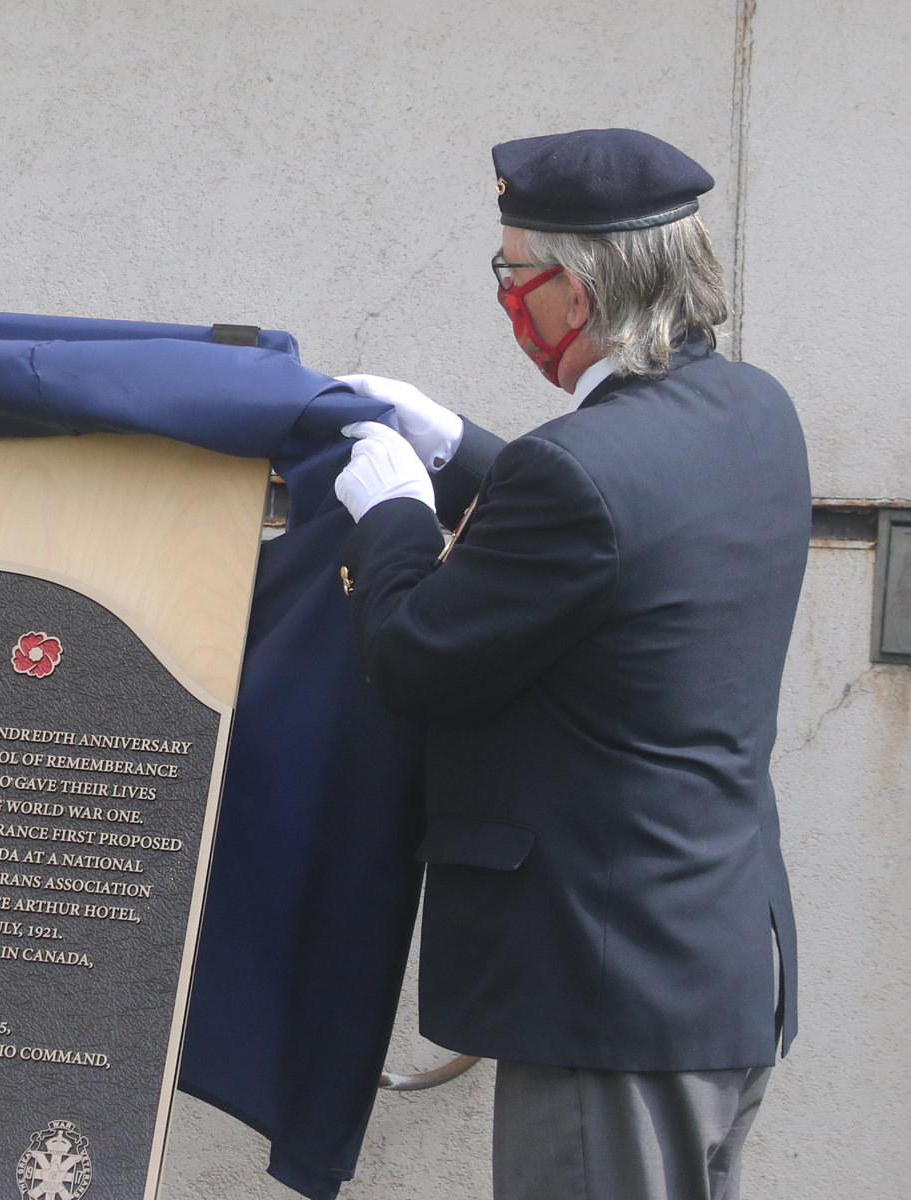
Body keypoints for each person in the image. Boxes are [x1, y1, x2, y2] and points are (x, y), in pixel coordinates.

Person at [331, 129, 807, 1200]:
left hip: (609, 996)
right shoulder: (753, 411)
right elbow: (624, 532)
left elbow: (415, 657)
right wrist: (463, 451)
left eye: (513, 272)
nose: (504, 295)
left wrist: (396, 517)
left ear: (578, 293)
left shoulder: (580, 473)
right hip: (713, 964)